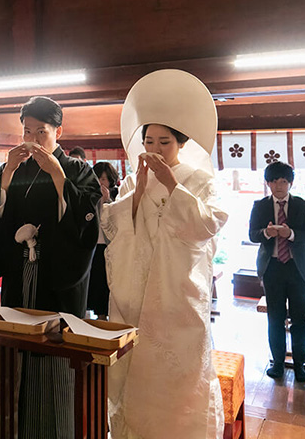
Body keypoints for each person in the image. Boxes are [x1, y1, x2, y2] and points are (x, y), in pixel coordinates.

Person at [100, 69, 227, 439]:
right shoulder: (131, 178)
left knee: (177, 373)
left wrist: (172, 185)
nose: (153, 150)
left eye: (164, 142)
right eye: (149, 141)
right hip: (137, 290)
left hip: (177, 294)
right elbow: (114, 225)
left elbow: (208, 225)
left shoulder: (200, 180)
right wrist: (137, 194)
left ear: (181, 143)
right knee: (135, 363)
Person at [0, 96, 101, 439]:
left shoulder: (78, 170)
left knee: (56, 353)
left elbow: (87, 223)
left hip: (58, 279)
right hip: (20, 276)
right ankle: (16, 426)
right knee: (15, 348)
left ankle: (58, 428)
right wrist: (5, 174)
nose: (32, 140)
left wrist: (58, 175)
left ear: (58, 131)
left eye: (41, 132)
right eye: (26, 131)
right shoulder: (14, 169)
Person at [249, 161, 305, 383]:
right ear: (268, 183)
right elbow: (253, 234)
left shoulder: (304, 205)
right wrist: (267, 232)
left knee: (300, 319)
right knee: (275, 318)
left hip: (298, 269)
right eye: (273, 181)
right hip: (272, 269)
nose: (278, 186)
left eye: (283, 181)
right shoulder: (260, 206)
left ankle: (300, 365)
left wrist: (291, 234)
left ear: (290, 182)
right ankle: (277, 363)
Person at [87, 161, 118, 319]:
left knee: (106, 282)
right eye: (98, 177)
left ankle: (104, 314)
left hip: (108, 247)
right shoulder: (88, 195)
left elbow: (117, 220)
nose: (101, 181)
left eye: (104, 178)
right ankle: (94, 312)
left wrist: (107, 201)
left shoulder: (117, 195)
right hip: (91, 246)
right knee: (94, 282)